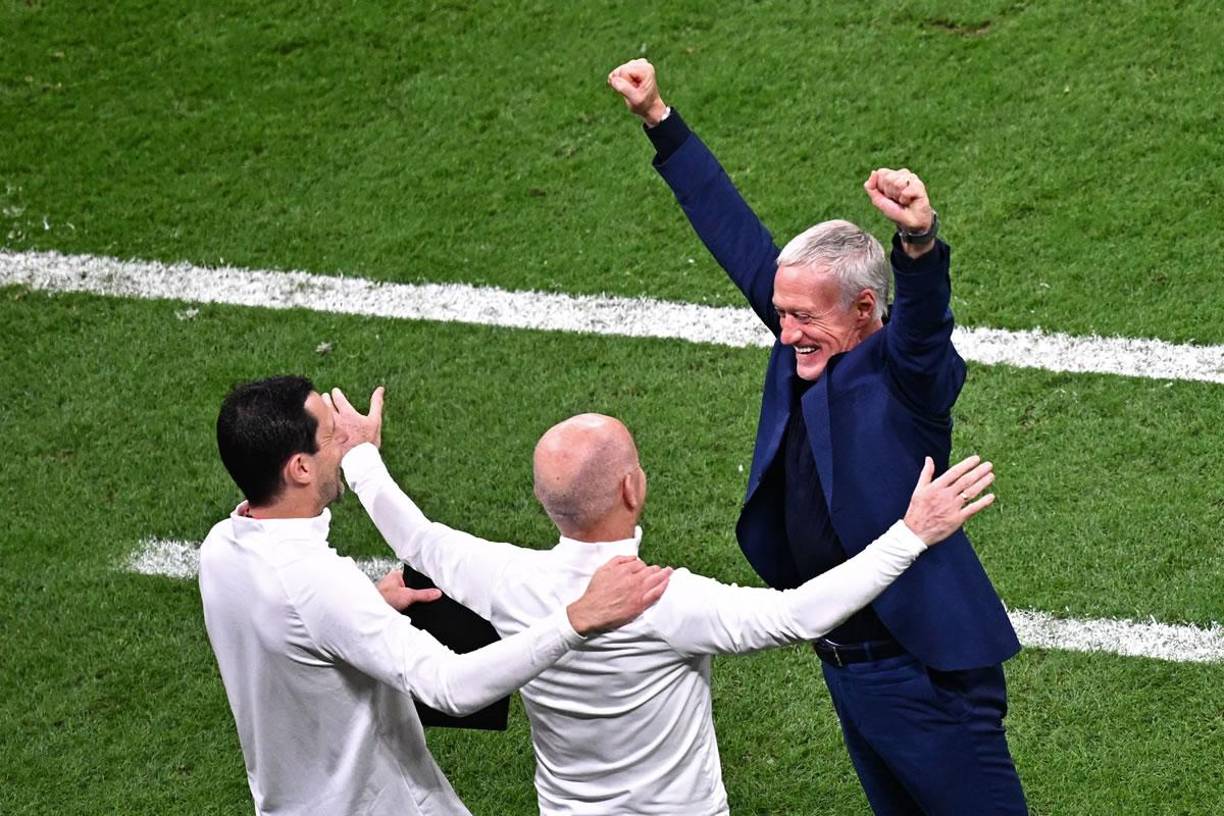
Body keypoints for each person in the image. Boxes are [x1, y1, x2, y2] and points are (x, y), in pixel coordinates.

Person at [607, 58, 1027, 815]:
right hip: (847, 666)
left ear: (864, 310)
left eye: (803, 317)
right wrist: (660, 120)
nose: (785, 331)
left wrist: (920, 244)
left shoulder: (906, 377)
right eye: (781, 313)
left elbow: (925, 326)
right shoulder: (802, 339)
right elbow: (736, 236)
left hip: (921, 670)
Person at [330, 385, 996, 816]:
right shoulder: (664, 601)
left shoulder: (504, 579)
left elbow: (417, 537)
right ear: (633, 489)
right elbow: (798, 614)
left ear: (543, 501)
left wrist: (360, 457)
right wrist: (913, 532)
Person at [198, 375, 672, 816]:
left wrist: (366, 607)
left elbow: (291, 624)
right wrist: (575, 619)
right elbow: (450, 686)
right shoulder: (317, 585)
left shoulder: (222, 545)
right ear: (300, 468)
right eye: (330, 434)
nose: (343, 437)